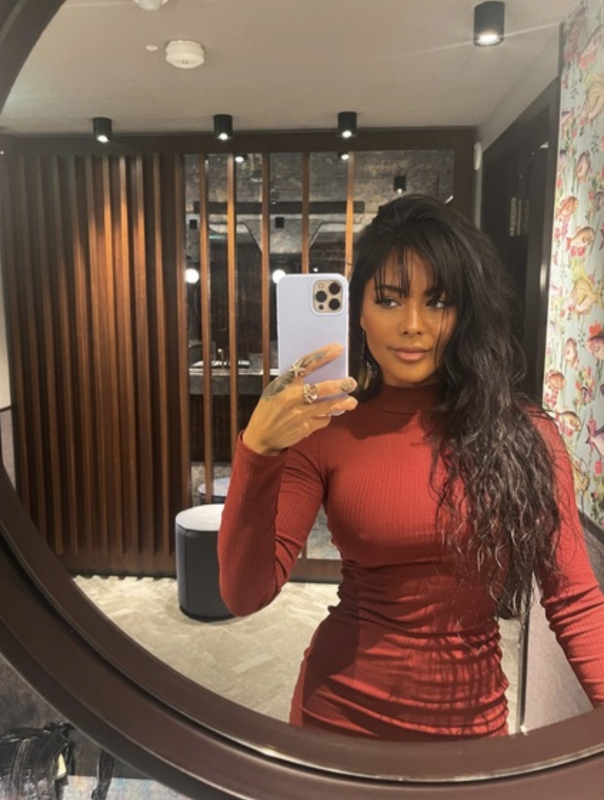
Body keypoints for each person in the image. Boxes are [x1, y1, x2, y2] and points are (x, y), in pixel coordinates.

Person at [217, 193, 604, 742]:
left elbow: (575, 601)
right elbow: (244, 593)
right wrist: (258, 452)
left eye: (438, 301)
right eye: (390, 300)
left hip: (471, 730)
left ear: (465, 313)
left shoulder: (525, 435)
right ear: (359, 311)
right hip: (335, 721)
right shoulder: (327, 430)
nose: (413, 325)